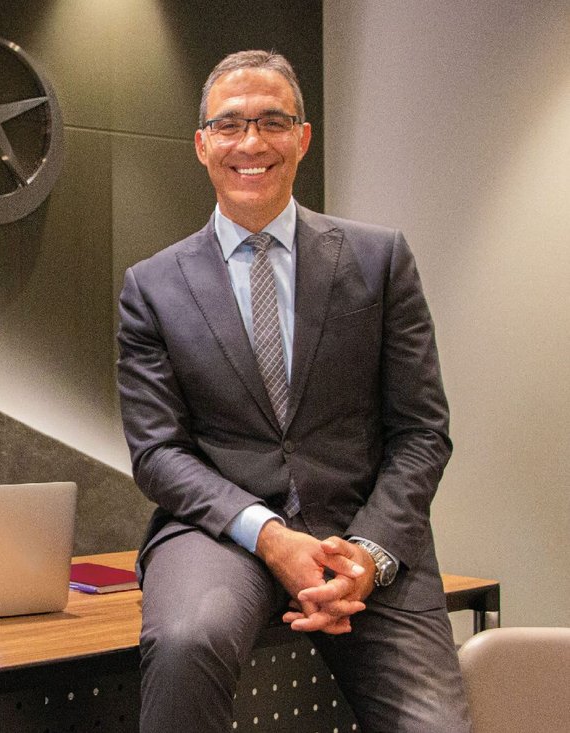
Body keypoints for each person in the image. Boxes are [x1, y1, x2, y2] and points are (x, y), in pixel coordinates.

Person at [116, 50, 471, 733]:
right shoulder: (152, 287)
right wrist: (271, 535)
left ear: (302, 138)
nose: (251, 142)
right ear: (202, 145)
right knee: (186, 642)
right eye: (229, 124)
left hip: (361, 532)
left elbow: (422, 431)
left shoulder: (380, 260)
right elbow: (158, 452)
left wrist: (370, 553)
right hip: (220, 532)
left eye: (272, 121)